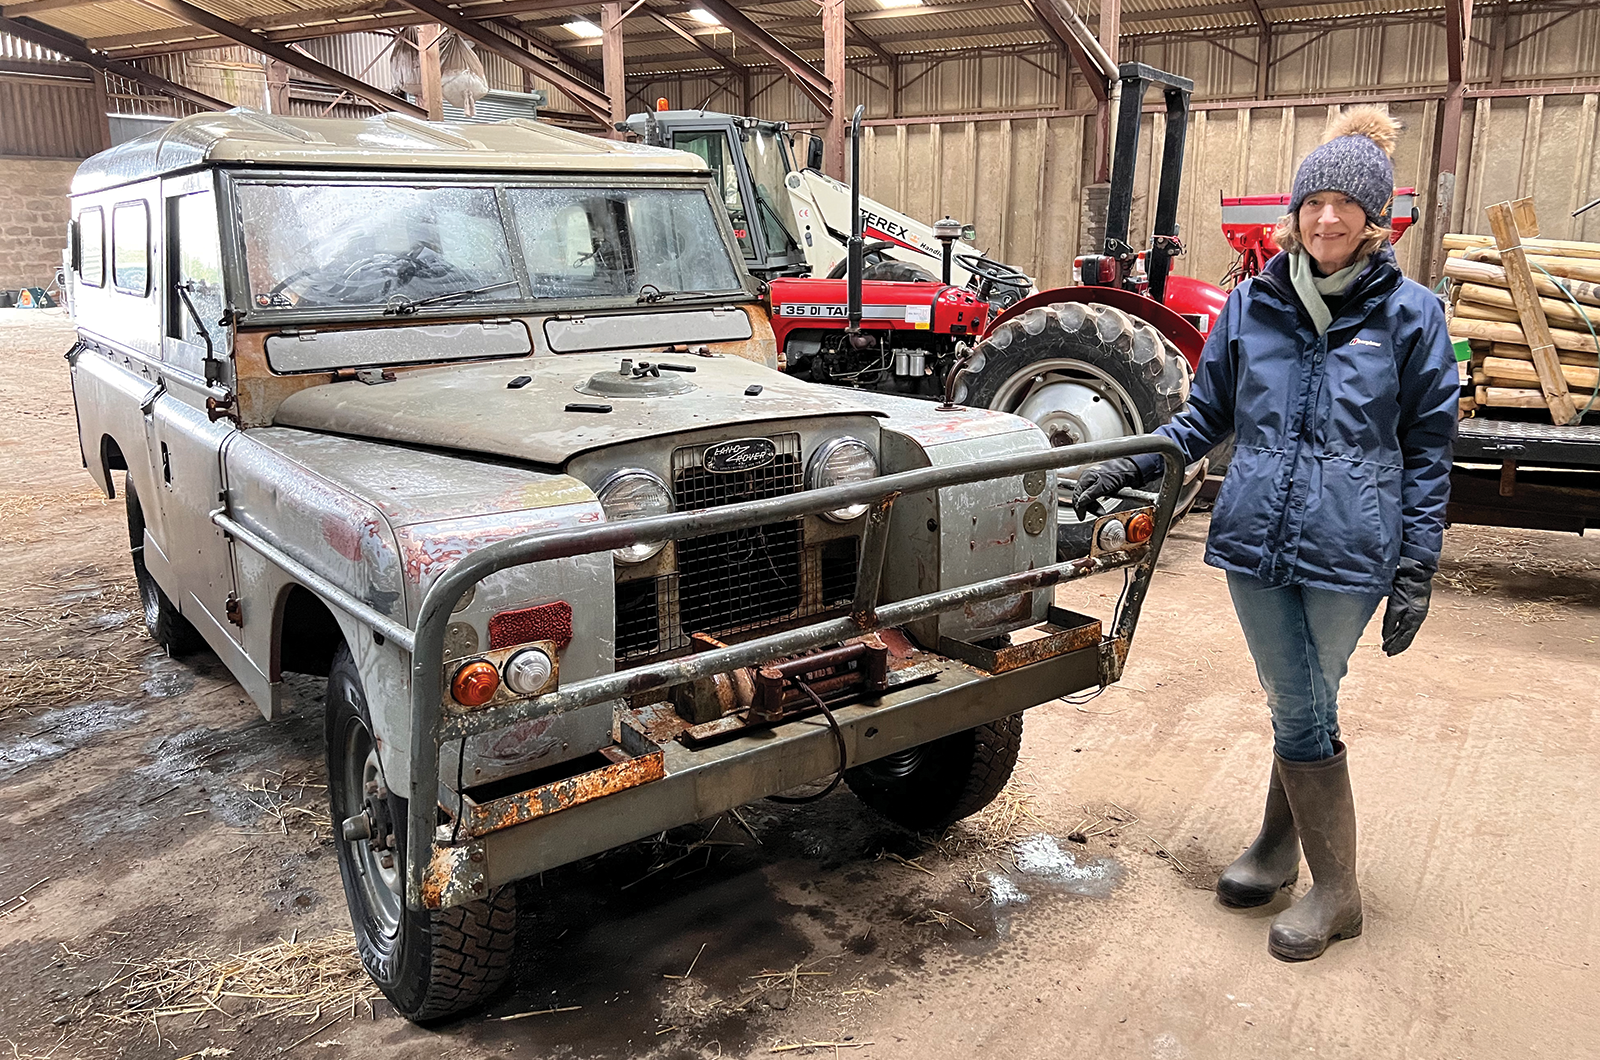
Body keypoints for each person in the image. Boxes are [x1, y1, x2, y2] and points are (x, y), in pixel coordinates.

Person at [1072, 107, 1459, 961]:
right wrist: (1130, 463)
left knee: (1302, 702)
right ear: (1295, 213)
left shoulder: (1412, 316)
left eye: (1345, 205)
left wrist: (1419, 564)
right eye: (1313, 202)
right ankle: (1282, 853)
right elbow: (1204, 416)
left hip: (1353, 545)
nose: (1327, 219)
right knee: (1301, 700)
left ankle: (1338, 893)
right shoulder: (1251, 305)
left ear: (1375, 218)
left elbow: (1430, 450)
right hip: (1256, 539)